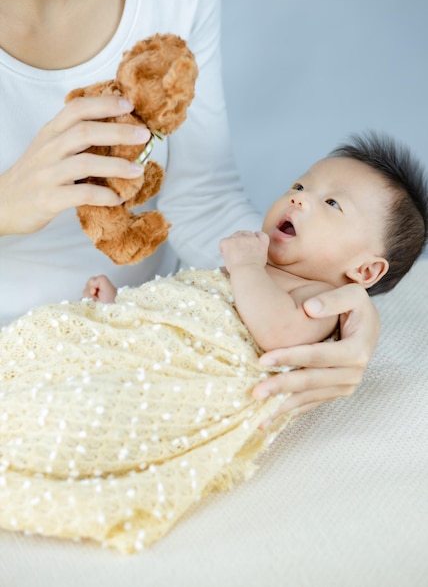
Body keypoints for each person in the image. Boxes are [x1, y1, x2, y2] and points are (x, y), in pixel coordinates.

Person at [0, 132, 426, 552]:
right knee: (49, 340)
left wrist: (245, 267)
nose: (299, 198)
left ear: (365, 273)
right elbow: (176, 316)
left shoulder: (317, 299)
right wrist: (117, 312)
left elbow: (278, 335)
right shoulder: (255, 268)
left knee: (87, 404)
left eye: (332, 203)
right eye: (299, 185)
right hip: (137, 348)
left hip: (176, 379)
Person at [0, 0, 382, 423]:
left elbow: (201, 200)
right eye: (302, 188)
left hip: (132, 328)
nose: (300, 197)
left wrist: (331, 300)